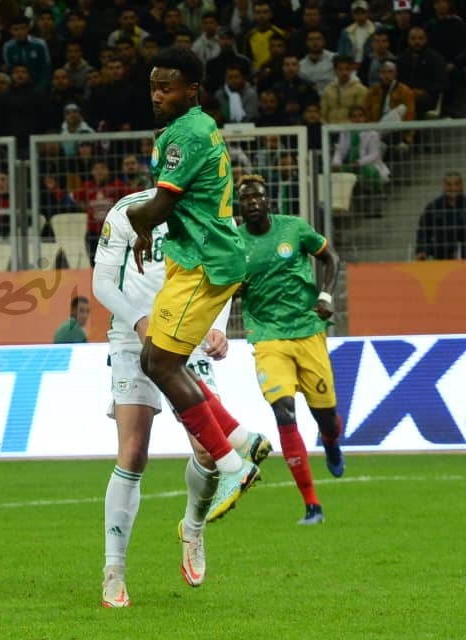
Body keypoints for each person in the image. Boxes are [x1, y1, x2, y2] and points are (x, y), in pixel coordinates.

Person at [93, 188, 271, 603]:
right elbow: (101, 282)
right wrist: (138, 320)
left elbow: (224, 271)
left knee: (207, 451)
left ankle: (193, 528)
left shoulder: (206, 208)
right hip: (131, 337)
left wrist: (219, 325)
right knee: (132, 453)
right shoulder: (126, 211)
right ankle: (113, 571)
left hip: (187, 336)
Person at [124, 47, 261, 523]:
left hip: (204, 261)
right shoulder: (192, 127)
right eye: (153, 86)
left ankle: (231, 466)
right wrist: (146, 223)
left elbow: (158, 206)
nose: (157, 95)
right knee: (155, 360)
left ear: (192, 90)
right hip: (191, 256)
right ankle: (242, 440)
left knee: (162, 363)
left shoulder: (185, 134)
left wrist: (134, 219)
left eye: (167, 88)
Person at [236, 174, 346, 525]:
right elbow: (225, 286)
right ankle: (312, 505)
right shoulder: (234, 242)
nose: (253, 203)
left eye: (258, 197)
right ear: (239, 207)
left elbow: (331, 258)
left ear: (269, 201)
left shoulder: (294, 229)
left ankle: (330, 441)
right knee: (284, 413)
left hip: (307, 331)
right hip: (267, 336)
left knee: (327, 418)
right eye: (246, 199)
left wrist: (325, 296)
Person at [415, 172, 465, 260]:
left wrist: (462, 251)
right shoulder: (433, 207)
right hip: (440, 255)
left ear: (461, 186)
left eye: (456, 184)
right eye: (449, 184)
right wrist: (421, 250)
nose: (453, 188)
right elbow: (423, 232)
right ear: (444, 186)